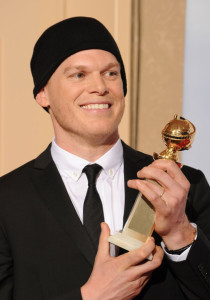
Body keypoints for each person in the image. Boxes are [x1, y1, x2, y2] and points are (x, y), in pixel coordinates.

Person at [0, 16, 210, 300]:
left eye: (111, 73)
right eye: (79, 75)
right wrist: (90, 297)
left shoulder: (183, 186)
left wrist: (180, 235)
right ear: (42, 94)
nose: (100, 86)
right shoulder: (7, 200)